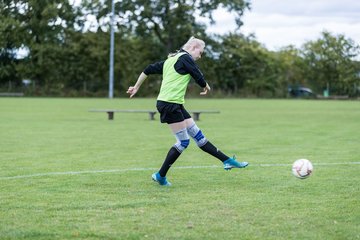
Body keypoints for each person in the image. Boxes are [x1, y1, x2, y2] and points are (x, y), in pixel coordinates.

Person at [126, 36, 248, 186]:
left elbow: (148, 69)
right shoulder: (185, 57)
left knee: (199, 136)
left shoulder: (171, 60)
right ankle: (160, 176)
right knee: (183, 142)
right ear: (194, 47)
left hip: (175, 104)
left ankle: (227, 161)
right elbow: (196, 74)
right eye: (201, 52)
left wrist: (137, 86)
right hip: (169, 104)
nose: (200, 56)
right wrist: (205, 86)